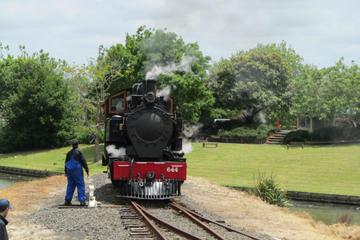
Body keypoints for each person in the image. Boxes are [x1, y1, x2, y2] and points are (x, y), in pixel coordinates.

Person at [64, 140, 89, 206]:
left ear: (72, 145)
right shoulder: (79, 152)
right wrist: (87, 170)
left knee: (70, 185)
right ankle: (82, 201)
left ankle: (67, 200)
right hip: (77, 171)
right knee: (80, 185)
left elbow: (66, 163)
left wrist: (66, 172)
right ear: (78, 144)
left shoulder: (68, 153)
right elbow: (83, 161)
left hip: (69, 171)